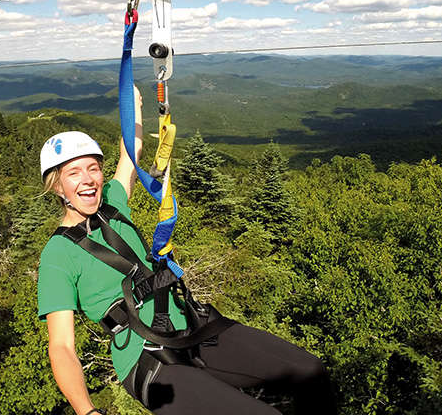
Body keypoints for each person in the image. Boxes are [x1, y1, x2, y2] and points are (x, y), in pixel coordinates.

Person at [36, 91, 337, 415]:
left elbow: (130, 154)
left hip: (192, 325)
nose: (89, 180)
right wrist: (86, 411)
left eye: (93, 168)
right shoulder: (58, 254)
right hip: (146, 361)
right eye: (74, 173)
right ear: (57, 186)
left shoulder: (112, 202)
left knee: (311, 372)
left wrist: (133, 104)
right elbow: (62, 346)